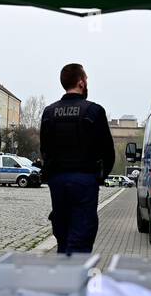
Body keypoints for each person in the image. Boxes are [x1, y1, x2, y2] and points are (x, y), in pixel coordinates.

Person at [40, 63, 116, 253]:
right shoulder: (94, 111)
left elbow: (45, 150)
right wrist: (100, 176)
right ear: (81, 83)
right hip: (84, 180)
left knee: (62, 233)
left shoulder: (49, 113)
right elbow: (108, 151)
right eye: (86, 79)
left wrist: (51, 175)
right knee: (81, 235)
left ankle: (63, 274)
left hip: (58, 181)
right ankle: (75, 277)